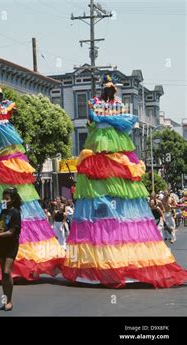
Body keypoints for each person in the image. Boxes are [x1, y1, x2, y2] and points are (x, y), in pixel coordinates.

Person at [63, 74, 187, 288]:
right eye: (108, 89)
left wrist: (105, 119)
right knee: (99, 183)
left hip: (117, 146)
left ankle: (124, 263)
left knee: (121, 189)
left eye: (113, 89)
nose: (110, 92)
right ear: (103, 90)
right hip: (98, 144)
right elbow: (93, 117)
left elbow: (127, 121)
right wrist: (105, 119)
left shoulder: (119, 104)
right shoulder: (95, 102)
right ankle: (100, 264)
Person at [0, 86, 65, 283]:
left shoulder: (8, 106)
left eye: (0, 94)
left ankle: (18, 262)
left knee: (11, 168)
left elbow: (10, 111)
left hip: (7, 140)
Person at [0, 188, 22, 311]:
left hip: (11, 245)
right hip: (2, 244)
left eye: (7, 198)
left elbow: (11, 232)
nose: (5, 201)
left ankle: (10, 301)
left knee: (7, 272)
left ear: (12, 200)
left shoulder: (16, 213)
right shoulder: (3, 212)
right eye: (4, 198)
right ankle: (5, 300)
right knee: (3, 274)